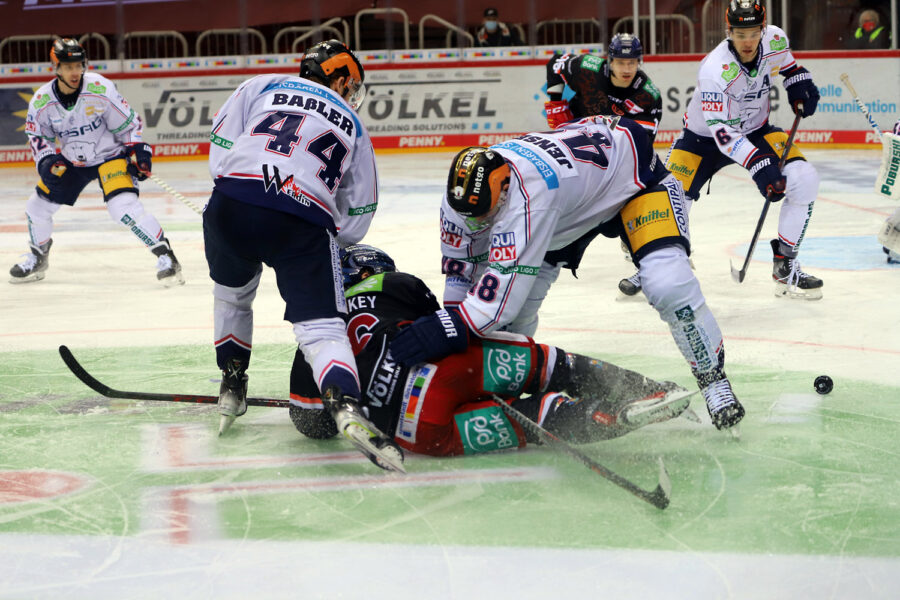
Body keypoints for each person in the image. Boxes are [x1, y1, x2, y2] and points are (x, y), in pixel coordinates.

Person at [391, 116, 744, 431]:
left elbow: (495, 306)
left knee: (667, 284)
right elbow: (459, 273)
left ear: (504, 192)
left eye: (483, 215)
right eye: (467, 214)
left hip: (635, 182)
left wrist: (446, 330)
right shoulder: (464, 198)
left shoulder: (528, 201)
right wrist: (454, 336)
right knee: (505, 332)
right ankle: (498, 391)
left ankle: (714, 382)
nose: (474, 224)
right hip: (568, 210)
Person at [287, 244, 695, 456]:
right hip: (446, 375)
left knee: (529, 420)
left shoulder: (316, 336)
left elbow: (311, 424)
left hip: (419, 433)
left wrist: (363, 403)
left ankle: (612, 416)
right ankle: (644, 390)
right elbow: (447, 326)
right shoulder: (392, 283)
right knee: (552, 367)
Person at [204, 40, 403, 471]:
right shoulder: (353, 122)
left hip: (231, 203)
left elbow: (220, 142)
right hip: (302, 219)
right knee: (321, 329)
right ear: (344, 80)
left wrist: (231, 196)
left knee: (232, 296)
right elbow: (361, 207)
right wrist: (332, 238)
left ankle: (232, 384)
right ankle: (345, 404)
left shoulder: (261, 85)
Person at [665, 0, 823, 299]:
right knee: (671, 196)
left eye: (753, 33)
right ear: (729, 32)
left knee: (804, 177)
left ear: (762, 29)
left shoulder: (774, 38)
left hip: (756, 129)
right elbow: (723, 134)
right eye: (740, 34)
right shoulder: (715, 69)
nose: (747, 41)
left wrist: (798, 83)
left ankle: (785, 264)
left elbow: (788, 66)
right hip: (704, 139)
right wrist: (760, 166)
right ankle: (665, 267)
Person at [10, 38, 182, 286]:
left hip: (109, 157)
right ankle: (38, 257)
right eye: (68, 66)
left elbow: (129, 125)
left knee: (122, 207)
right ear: (56, 67)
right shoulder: (41, 101)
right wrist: (46, 161)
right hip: (70, 162)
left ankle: (166, 256)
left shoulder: (100, 88)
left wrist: (139, 152)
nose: (75, 72)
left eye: (79, 65)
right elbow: (38, 137)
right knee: (37, 206)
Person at [545, 32, 663, 297]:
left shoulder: (647, 95)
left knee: (634, 199)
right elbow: (554, 63)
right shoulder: (588, 69)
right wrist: (556, 102)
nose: (626, 69)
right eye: (621, 62)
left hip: (619, 156)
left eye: (632, 63)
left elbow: (640, 147)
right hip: (575, 145)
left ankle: (643, 255)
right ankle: (547, 254)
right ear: (609, 60)